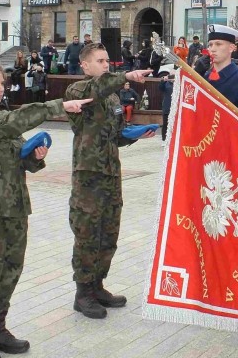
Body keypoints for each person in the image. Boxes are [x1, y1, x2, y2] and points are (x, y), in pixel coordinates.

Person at [0, 60, 91, 358]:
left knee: (10, 270)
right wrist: (59, 106)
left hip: (15, 209)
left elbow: (21, 157)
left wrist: (34, 156)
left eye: (2, 83)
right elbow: (10, 125)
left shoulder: (1, 116)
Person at [65, 43, 154, 320]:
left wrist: (134, 134)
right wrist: (126, 77)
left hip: (111, 175)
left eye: (107, 61)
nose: (106, 65)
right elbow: (97, 89)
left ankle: (98, 285)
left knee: (108, 233)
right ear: (85, 66)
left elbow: (116, 135)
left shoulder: (114, 98)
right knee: (87, 234)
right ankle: (83, 293)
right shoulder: (77, 91)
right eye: (100, 61)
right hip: (88, 176)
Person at [158, 72, 174, 145]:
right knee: (165, 124)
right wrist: (163, 80)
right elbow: (160, 88)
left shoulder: (178, 84)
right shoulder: (166, 84)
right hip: (167, 106)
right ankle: (164, 139)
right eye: (171, 76)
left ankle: (173, 139)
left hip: (175, 107)